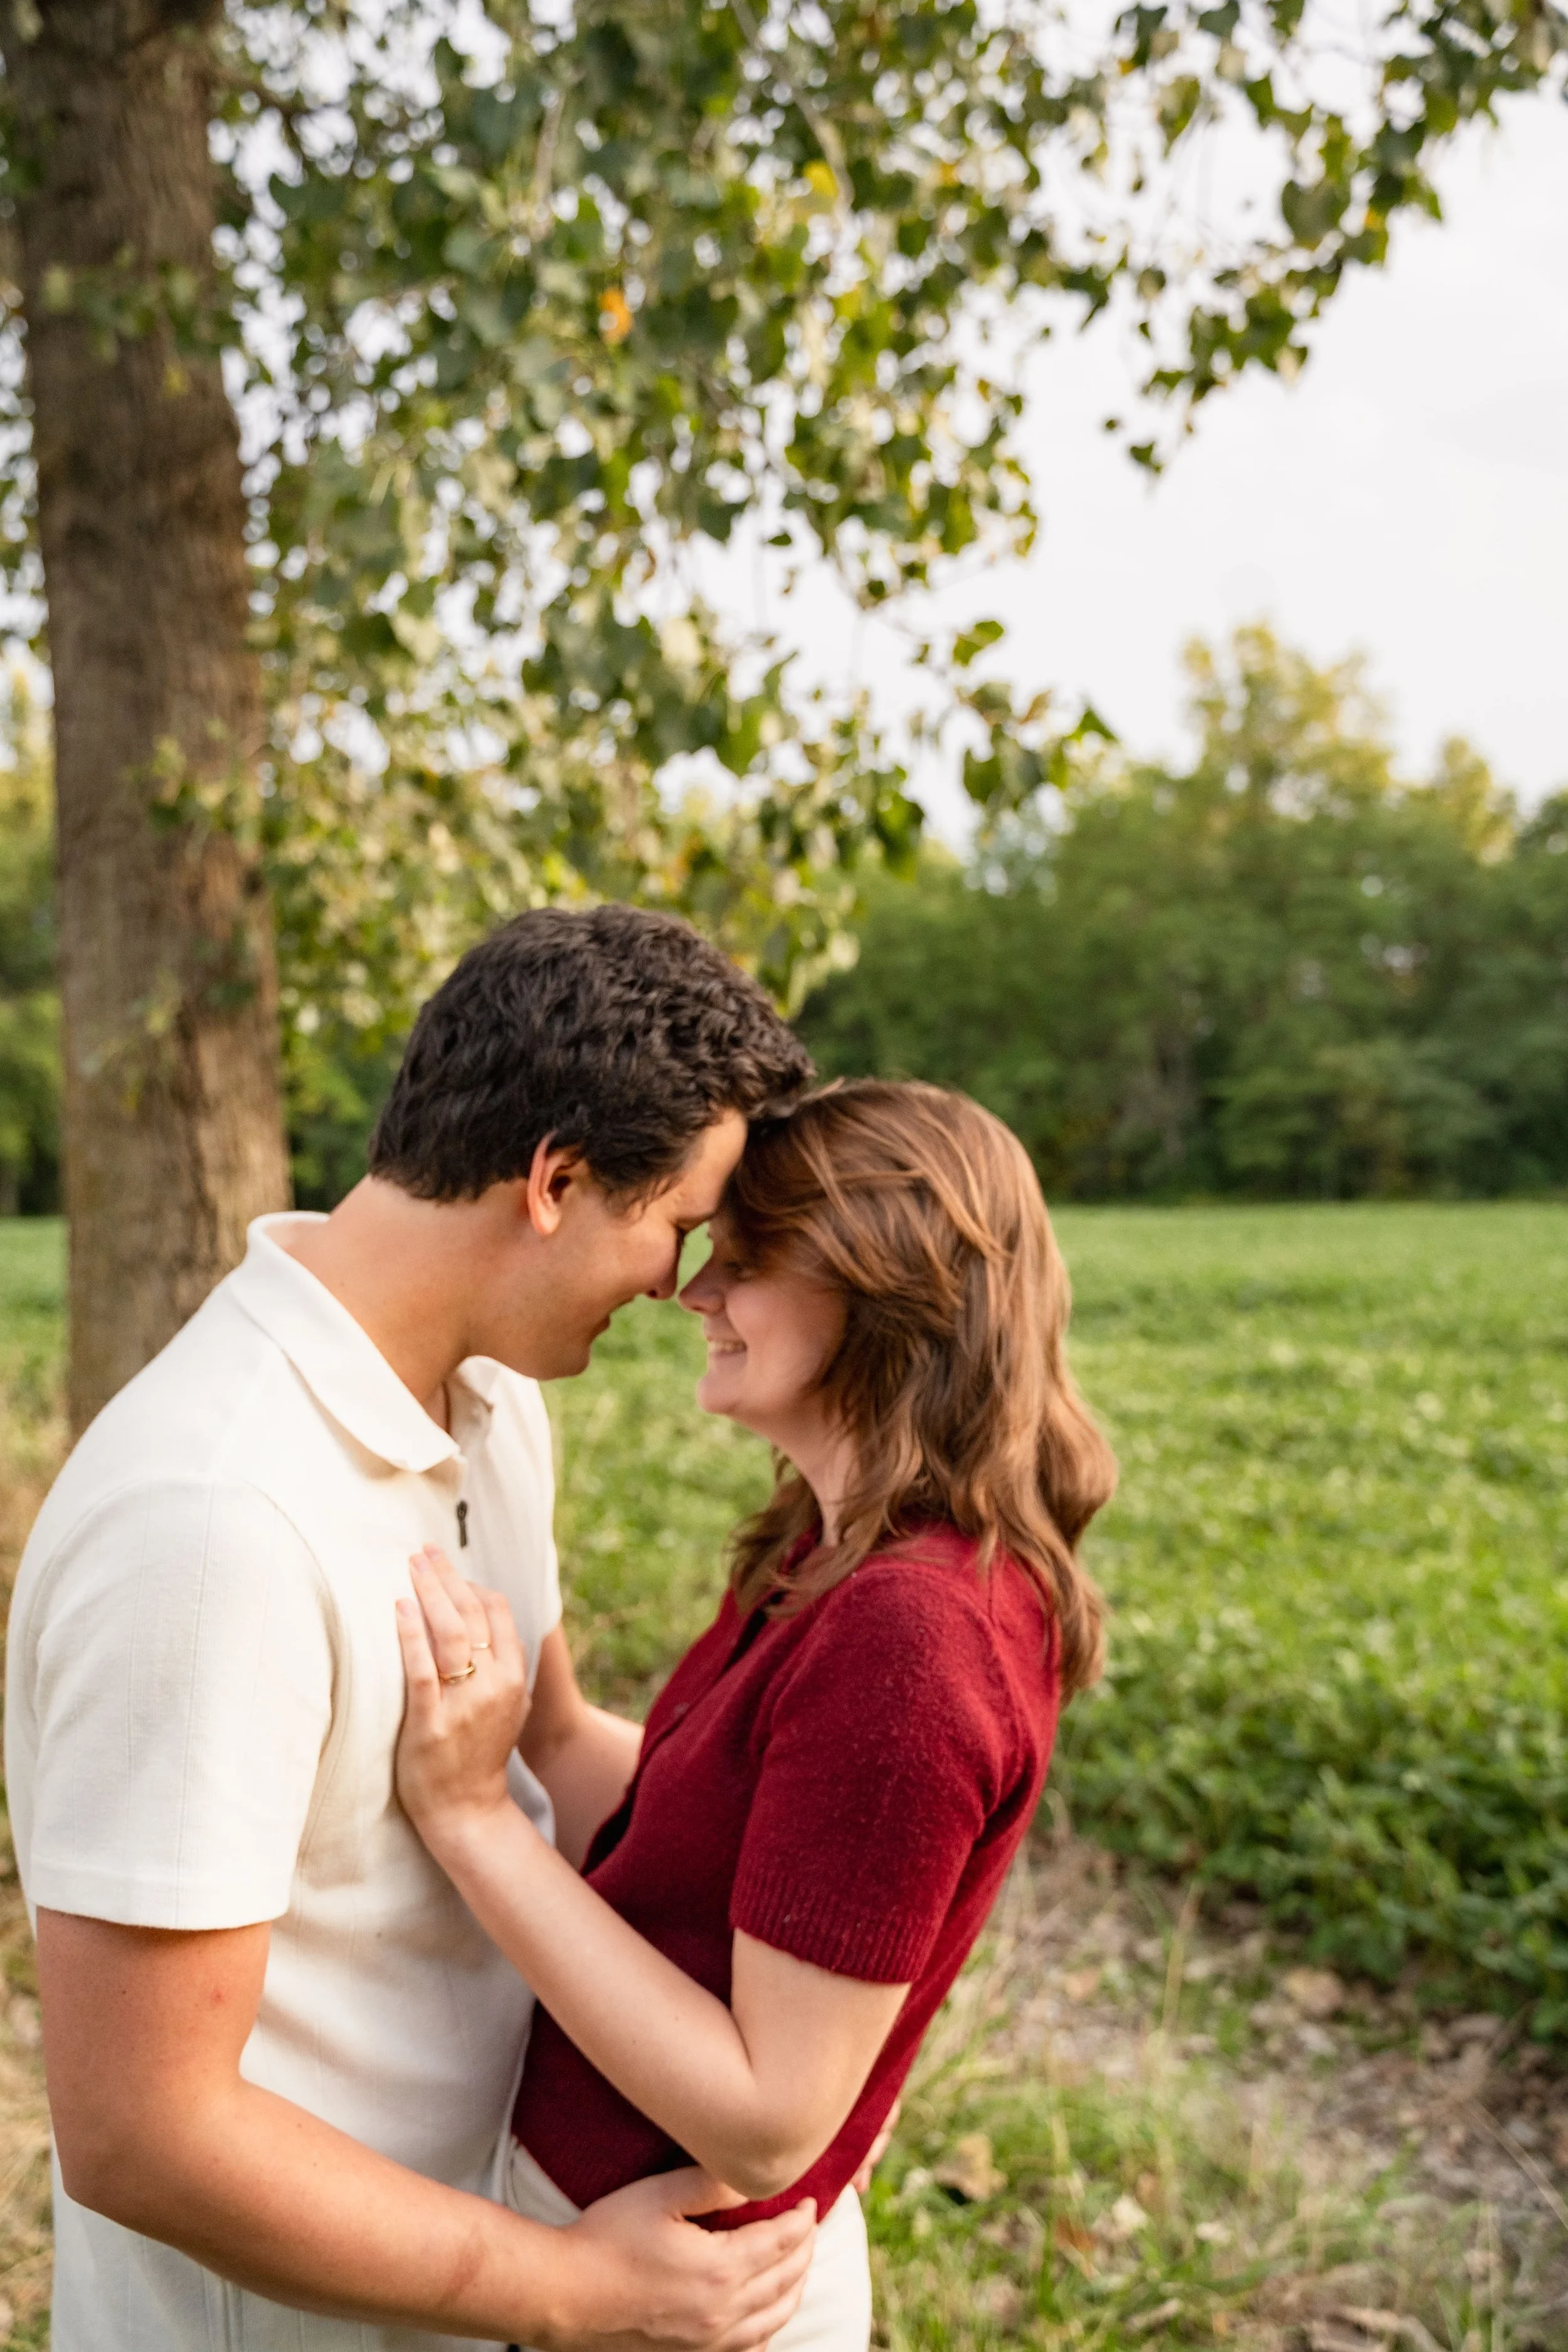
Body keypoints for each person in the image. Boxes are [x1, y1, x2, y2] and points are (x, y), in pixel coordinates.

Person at [5, 906, 821, 2352]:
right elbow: (144, 2134)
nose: (683, 1285)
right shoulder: (208, 1526)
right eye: (678, 1225)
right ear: (555, 1179)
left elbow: (557, 1750)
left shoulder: (489, 1403)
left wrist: (819, 1948)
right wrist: (569, 2291)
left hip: (469, 2274)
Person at [393, 1079, 1117, 2351]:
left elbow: (766, 2113)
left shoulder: (913, 1636)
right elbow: (738, 1830)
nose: (693, 1295)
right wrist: (541, 1726)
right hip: (635, 2250)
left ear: (882, 1288)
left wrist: (472, 1822)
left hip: (681, 2297)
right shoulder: (827, 1546)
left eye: (746, 1260)